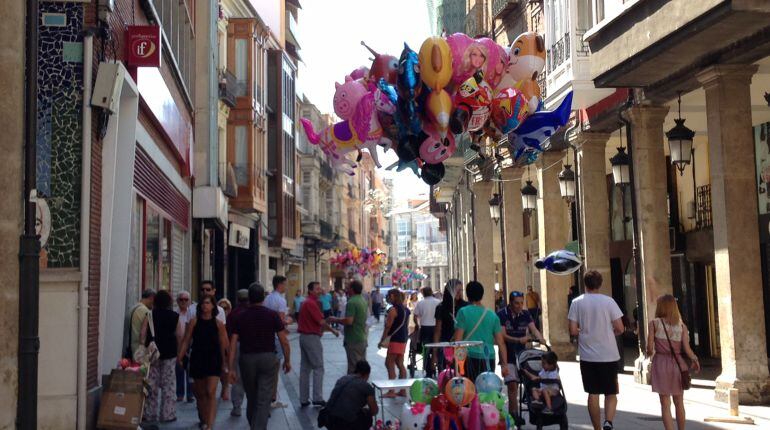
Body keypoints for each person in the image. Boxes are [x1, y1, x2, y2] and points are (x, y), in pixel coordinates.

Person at [228, 283, 291, 430]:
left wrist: (231, 367)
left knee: (252, 397)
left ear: (249, 298)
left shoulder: (240, 316)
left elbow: (232, 344)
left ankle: (254, 425)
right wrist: (287, 361)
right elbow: (284, 340)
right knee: (264, 399)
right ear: (263, 297)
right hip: (268, 358)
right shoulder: (272, 315)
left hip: (247, 359)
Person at [568, 271, 624, 430]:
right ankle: (609, 421)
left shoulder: (577, 302)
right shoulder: (609, 302)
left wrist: (584, 332)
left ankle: (597, 428)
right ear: (600, 284)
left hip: (587, 355)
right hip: (609, 354)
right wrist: (608, 332)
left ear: (585, 283)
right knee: (611, 392)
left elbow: (572, 330)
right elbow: (620, 327)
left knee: (593, 392)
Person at [647, 295, 700, 430]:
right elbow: (687, 349)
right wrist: (694, 359)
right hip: (678, 363)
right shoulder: (682, 326)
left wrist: (650, 354)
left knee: (665, 404)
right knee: (679, 402)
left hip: (661, 363)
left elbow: (649, 348)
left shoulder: (654, 323)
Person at [177, 295, 229, 430]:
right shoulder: (194, 322)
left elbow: (224, 344)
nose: (205, 305)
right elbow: (186, 340)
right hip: (198, 358)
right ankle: (204, 419)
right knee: (200, 394)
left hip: (213, 359)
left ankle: (210, 426)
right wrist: (180, 357)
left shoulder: (218, 324)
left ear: (213, 306)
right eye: (203, 303)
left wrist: (225, 363)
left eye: (208, 303)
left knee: (210, 392)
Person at [497, 290, 547, 420]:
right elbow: (502, 335)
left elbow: (534, 329)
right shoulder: (502, 314)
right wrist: (518, 340)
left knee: (527, 383)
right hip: (507, 354)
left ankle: (529, 409)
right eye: (516, 303)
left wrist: (541, 339)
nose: (519, 306)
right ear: (510, 303)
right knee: (512, 386)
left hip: (522, 355)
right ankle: (514, 415)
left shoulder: (525, 314)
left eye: (521, 303)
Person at [452, 281, 509, 383]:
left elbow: (458, 340)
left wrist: (456, 363)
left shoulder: (463, 312)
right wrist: (504, 365)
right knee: (485, 391)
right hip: (488, 357)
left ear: (467, 295)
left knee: (469, 391)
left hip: (469, 357)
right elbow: (501, 342)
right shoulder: (492, 315)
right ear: (482, 295)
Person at [141, 290, 183, 423]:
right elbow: (180, 336)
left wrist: (144, 348)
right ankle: (167, 414)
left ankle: (149, 413)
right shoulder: (175, 316)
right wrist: (180, 352)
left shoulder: (149, 315)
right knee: (169, 385)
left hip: (153, 354)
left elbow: (142, 336)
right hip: (169, 353)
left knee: (151, 384)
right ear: (169, 302)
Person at [298, 281, 339, 407]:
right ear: (310, 291)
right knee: (318, 367)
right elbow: (321, 321)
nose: (320, 290)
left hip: (304, 337)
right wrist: (333, 330)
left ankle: (304, 398)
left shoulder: (306, 302)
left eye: (320, 288)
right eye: (316, 289)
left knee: (305, 369)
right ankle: (317, 397)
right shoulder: (311, 303)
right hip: (311, 337)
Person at [325, 360, 379, 430]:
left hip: (329, 419)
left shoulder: (342, 379)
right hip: (345, 423)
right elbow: (374, 411)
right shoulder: (366, 386)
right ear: (367, 374)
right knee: (367, 415)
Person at [328, 280, 369, 374]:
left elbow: (349, 321)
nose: (346, 288)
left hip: (353, 338)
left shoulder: (352, 302)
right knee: (361, 366)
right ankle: (361, 386)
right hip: (362, 337)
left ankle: (353, 387)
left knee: (353, 367)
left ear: (352, 289)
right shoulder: (362, 300)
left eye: (348, 287)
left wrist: (335, 319)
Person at [264, 275, 291, 409]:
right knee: (275, 369)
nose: (286, 287)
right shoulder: (280, 300)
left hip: (266, 335)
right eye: (285, 284)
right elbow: (280, 321)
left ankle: (270, 396)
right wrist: (287, 322)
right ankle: (273, 398)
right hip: (276, 337)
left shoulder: (267, 298)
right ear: (280, 285)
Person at [378, 289, 410, 398]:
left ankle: (391, 390)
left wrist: (382, 340)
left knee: (389, 363)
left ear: (393, 296)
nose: (387, 297)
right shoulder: (406, 309)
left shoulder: (393, 310)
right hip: (403, 338)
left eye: (388, 296)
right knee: (400, 364)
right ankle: (403, 390)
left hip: (395, 339)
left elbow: (388, 326)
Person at [433, 279, 467, 370]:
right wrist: (435, 352)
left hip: (462, 345)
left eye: (461, 290)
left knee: (461, 372)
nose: (460, 293)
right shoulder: (441, 308)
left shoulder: (465, 306)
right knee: (447, 373)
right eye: (457, 290)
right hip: (446, 345)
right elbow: (438, 330)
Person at [226, 289, 250, 417]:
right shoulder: (251, 313)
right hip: (251, 347)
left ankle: (237, 407)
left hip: (237, 346)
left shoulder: (233, 314)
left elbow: (229, 333)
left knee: (237, 378)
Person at [413, 286, 440, 377]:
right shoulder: (438, 302)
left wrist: (417, 325)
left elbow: (415, 316)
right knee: (436, 348)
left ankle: (428, 371)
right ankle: (438, 367)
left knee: (426, 350)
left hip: (425, 328)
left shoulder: (420, 303)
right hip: (436, 327)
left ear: (423, 293)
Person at [175, 291, 195, 402]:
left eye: (186, 300)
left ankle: (190, 394)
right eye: (181, 299)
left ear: (189, 301)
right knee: (179, 370)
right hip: (178, 344)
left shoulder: (192, 313)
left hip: (190, 344)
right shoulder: (174, 314)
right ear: (177, 301)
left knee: (190, 370)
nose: (183, 302)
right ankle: (180, 393)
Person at [126, 289, 156, 361]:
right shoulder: (145, 311)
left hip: (130, 347)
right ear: (151, 298)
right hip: (139, 350)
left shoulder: (133, 308)